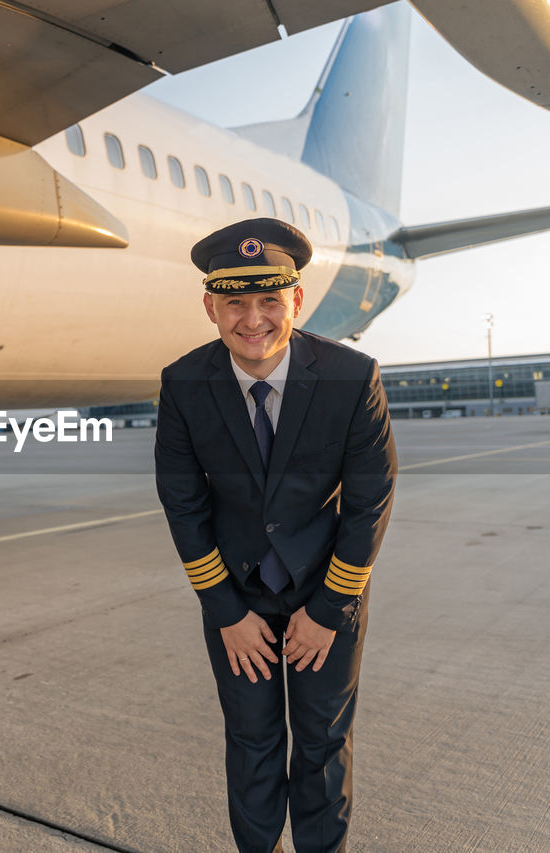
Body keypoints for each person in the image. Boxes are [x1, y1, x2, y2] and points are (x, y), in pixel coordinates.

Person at [155, 218, 397, 852]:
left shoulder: (353, 377)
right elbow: (183, 505)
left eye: (269, 300)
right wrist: (226, 612)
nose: (252, 319)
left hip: (326, 589)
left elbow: (369, 503)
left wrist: (329, 609)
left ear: (297, 300)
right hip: (238, 597)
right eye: (235, 302)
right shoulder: (183, 384)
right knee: (253, 742)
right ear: (211, 307)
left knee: (320, 744)